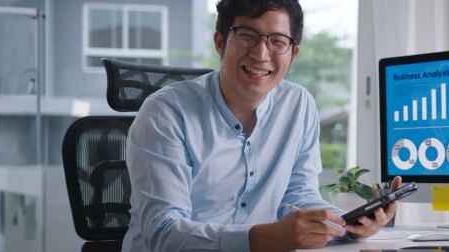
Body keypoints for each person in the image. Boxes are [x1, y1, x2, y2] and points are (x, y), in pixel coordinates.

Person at [121, 0, 402, 251]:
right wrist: (266, 239)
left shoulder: (299, 104)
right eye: (247, 35)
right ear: (220, 41)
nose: (260, 53)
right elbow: (163, 233)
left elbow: (299, 194)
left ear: (293, 54)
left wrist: (347, 224)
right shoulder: (165, 113)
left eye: (277, 41)